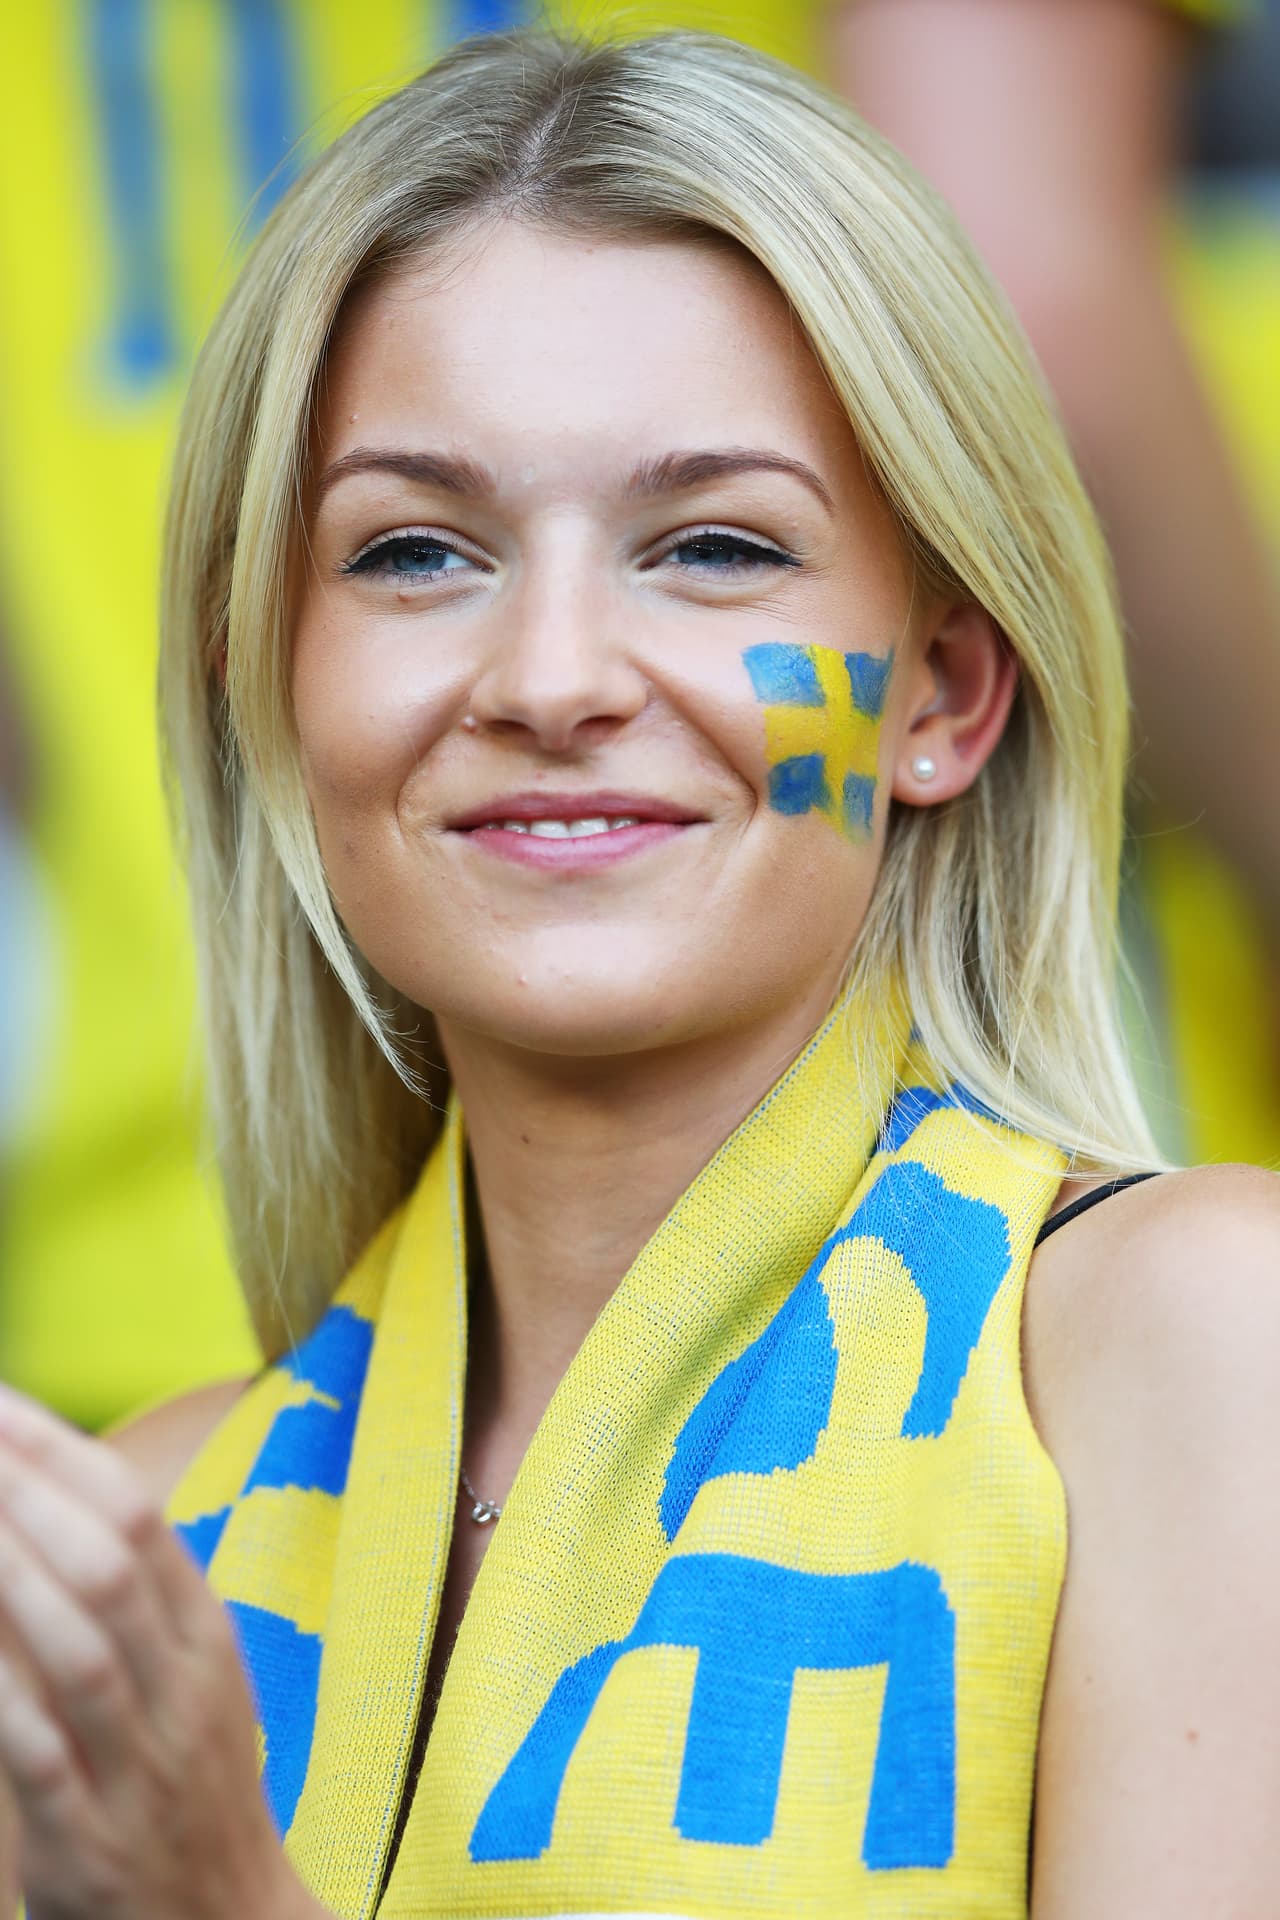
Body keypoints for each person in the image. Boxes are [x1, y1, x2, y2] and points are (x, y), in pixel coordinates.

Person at [0, 26, 1277, 1919]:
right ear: (274, 688)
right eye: (416, 554)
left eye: (714, 547)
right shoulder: (145, 1531)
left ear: (941, 697)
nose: (553, 677)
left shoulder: (1191, 1350)